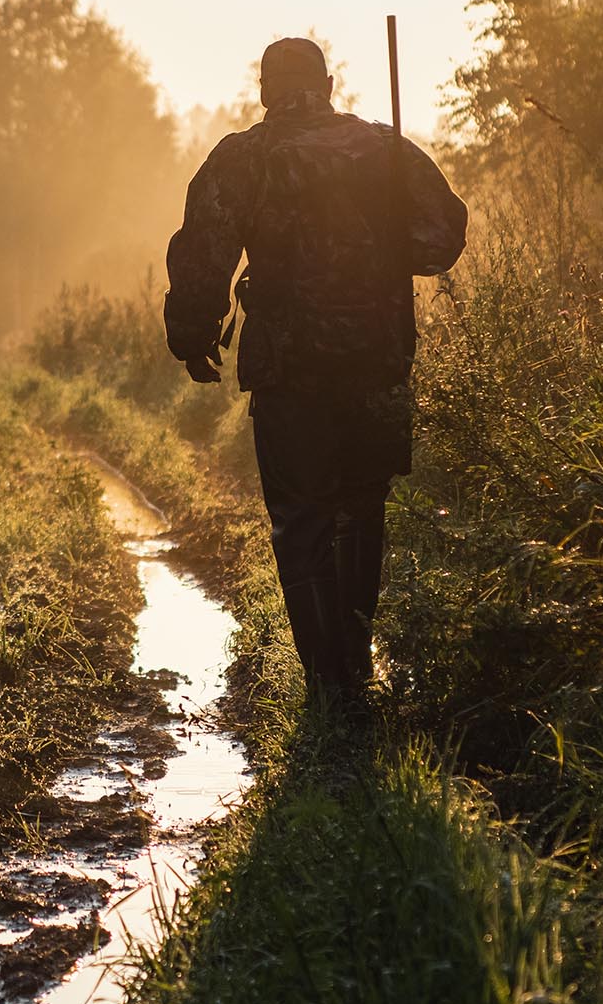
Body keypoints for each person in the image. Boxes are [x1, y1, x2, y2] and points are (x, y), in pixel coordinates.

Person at [164, 36, 468, 713]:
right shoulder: (384, 147)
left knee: (301, 520)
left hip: (291, 369)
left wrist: (191, 336)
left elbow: (204, 253)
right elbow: (441, 238)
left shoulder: (244, 157)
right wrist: (381, 238)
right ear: (328, 83)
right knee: (362, 509)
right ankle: (357, 670)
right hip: (377, 362)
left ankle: (327, 687)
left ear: (267, 88)